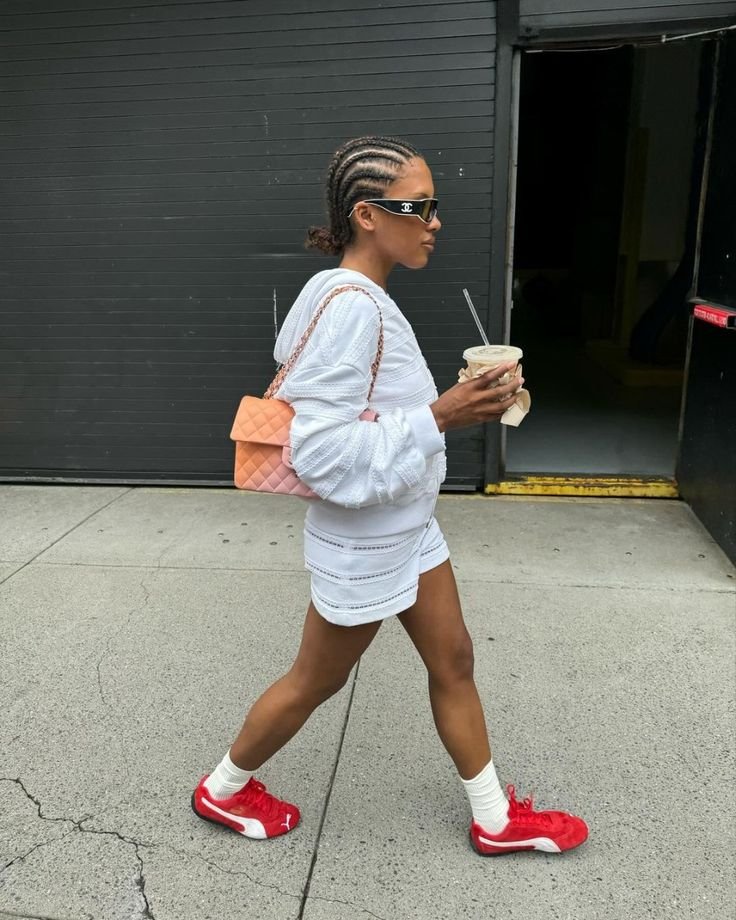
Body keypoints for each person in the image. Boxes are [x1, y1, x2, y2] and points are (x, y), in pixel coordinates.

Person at [192, 136, 588, 856]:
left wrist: (455, 408)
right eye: (419, 207)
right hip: (365, 539)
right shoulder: (352, 309)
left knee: (454, 657)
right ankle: (222, 789)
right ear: (368, 215)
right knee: (316, 679)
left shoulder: (351, 295)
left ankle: (495, 819)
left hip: (406, 524)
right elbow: (322, 450)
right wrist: (442, 414)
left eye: (436, 206)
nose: (434, 221)